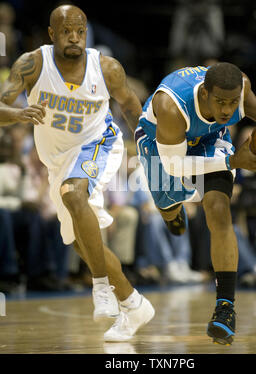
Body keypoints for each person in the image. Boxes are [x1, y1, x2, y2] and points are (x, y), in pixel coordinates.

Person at [0, 5, 154, 342]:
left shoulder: (106, 67)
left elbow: (129, 104)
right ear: (51, 34)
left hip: (99, 141)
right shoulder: (32, 63)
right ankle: (133, 302)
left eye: (80, 31)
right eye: (67, 31)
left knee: (73, 192)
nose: (74, 37)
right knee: (86, 245)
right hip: (58, 160)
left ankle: (100, 288)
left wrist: (148, 149)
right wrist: (18, 113)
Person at [135, 62, 256, 345]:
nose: (227, 110)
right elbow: (175, 165)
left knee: (218, 211)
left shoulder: (242, 87)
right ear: (204, 95)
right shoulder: (171, 105)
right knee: (167, 202)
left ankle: (225, 307)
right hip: (161, 143)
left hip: (211, 140)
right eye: (220, 102)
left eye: (232, 102)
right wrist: (233, 160)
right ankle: (172, 212)